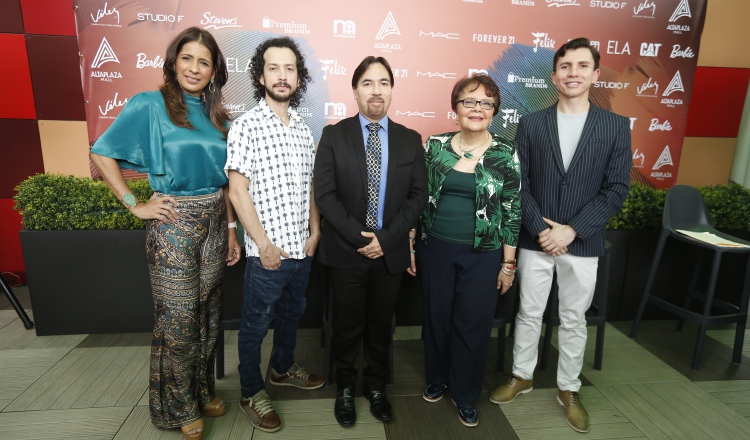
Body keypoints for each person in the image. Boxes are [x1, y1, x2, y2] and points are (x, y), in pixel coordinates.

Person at [90, 27, 240, 440]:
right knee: (179, 319)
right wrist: (133, 204)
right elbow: (101, 151)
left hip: (213, 220)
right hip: (173, 222)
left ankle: (202, 388)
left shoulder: (217, 117)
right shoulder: (149, 105)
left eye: (204, 62)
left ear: (214, 72)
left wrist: (229, 229)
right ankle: (179, 405)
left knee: (208, 312)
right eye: (187, 58)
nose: (194, 68)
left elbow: (224, 181)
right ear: (174, 62)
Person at [490, 38, 631, 433]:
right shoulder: (532, 124)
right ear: (554, 75)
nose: (573, 73)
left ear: (595, 75)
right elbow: (521, 184)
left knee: (573, 318)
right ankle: (522, 375)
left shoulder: (616, 126)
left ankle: (569, 388)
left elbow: (617, 188)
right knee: (529, 312)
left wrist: (572, 230)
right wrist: (540, 229)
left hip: (582, 243)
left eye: (582, 66)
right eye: (566, 66)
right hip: (537, 240)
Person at [314, 56, 428, 427]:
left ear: (392, 89)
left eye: (383, 83)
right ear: (355, 90)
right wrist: (360, 237)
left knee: (381, 325)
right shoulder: (334, 135)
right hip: (347, 251)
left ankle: (375, 386)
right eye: (367, 83)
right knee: (346, 326)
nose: (375, 90)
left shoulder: (411, 140)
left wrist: (386, 239)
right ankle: (345, 387)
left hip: (389, 253)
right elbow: (325, 194)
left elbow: (417, 197)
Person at [225, 36, 324, 434]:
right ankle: (251, 391)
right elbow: (236, 190)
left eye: (289, 69)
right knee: (254, 324)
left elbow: (310, 187)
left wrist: (315, 230)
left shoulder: (303, 128)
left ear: (298, 78)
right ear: (260, 75)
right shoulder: (246, 126)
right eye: (273, 68)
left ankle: (281, 368)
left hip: (303, 249)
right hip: (268, 253)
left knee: (290, 315)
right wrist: (263, 245)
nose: (282, 76)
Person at [415, 74, 521, 427]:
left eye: (486, 103)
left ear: (495, 111)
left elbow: (512, 210)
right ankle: (437, 378)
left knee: (471, 325)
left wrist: (508, 264)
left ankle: (464, 393)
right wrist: (413, 245)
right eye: (469, 101)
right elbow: (417, 200)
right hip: (435, 249)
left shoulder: (506, 153)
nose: (477, 109)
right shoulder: (435, 145)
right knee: (436, 318)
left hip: (484, 254)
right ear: (455, 107)